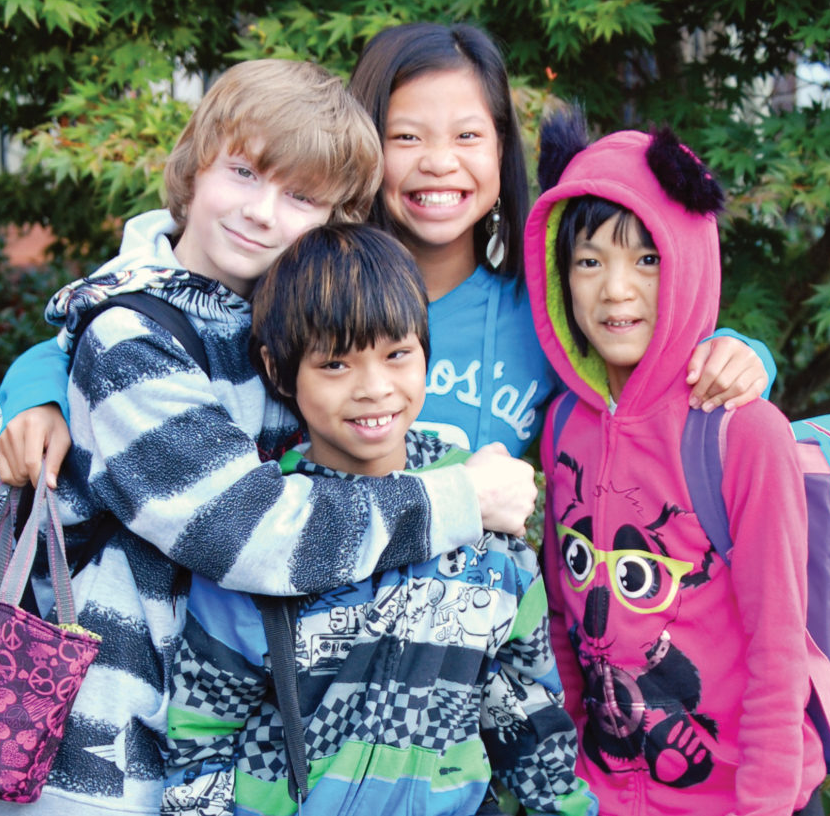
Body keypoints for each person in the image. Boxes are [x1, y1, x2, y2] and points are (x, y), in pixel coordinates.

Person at [0, 59, 537, 816]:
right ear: (195, 169)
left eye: (300, 196)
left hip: (224, 751)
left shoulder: (268, 327)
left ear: (336, 218)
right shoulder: (134, 338)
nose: (263, 213)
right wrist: (463, 496)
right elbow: (250, 531)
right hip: (102, 756)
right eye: (242, 173)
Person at [0, 24, 774, 485]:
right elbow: (103, 333)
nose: (440, 163)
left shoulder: (539, 316)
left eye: (469, 136)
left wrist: (741, 355)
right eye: (407, 137)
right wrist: (38, 397)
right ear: (366, 155)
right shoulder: (294, 289)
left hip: (472, 665)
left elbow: (648, 361)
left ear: (501, 151)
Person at [161, 221, 599, 816]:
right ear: (279, 368)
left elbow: (522, 701)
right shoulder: (269, 527)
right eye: (335, 365)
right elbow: (201, 730)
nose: (374, 388)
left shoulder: (483, 515)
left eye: (397, 355)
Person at [523, 108, 825, 815]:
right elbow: (567, 622)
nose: (616, 289)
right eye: (589, 260)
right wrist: (570, 779)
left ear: (687, 258)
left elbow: (779, 651)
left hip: (739, 798)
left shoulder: (740, 432)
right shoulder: (565, 421)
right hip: (603, 794)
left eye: (647, 258)